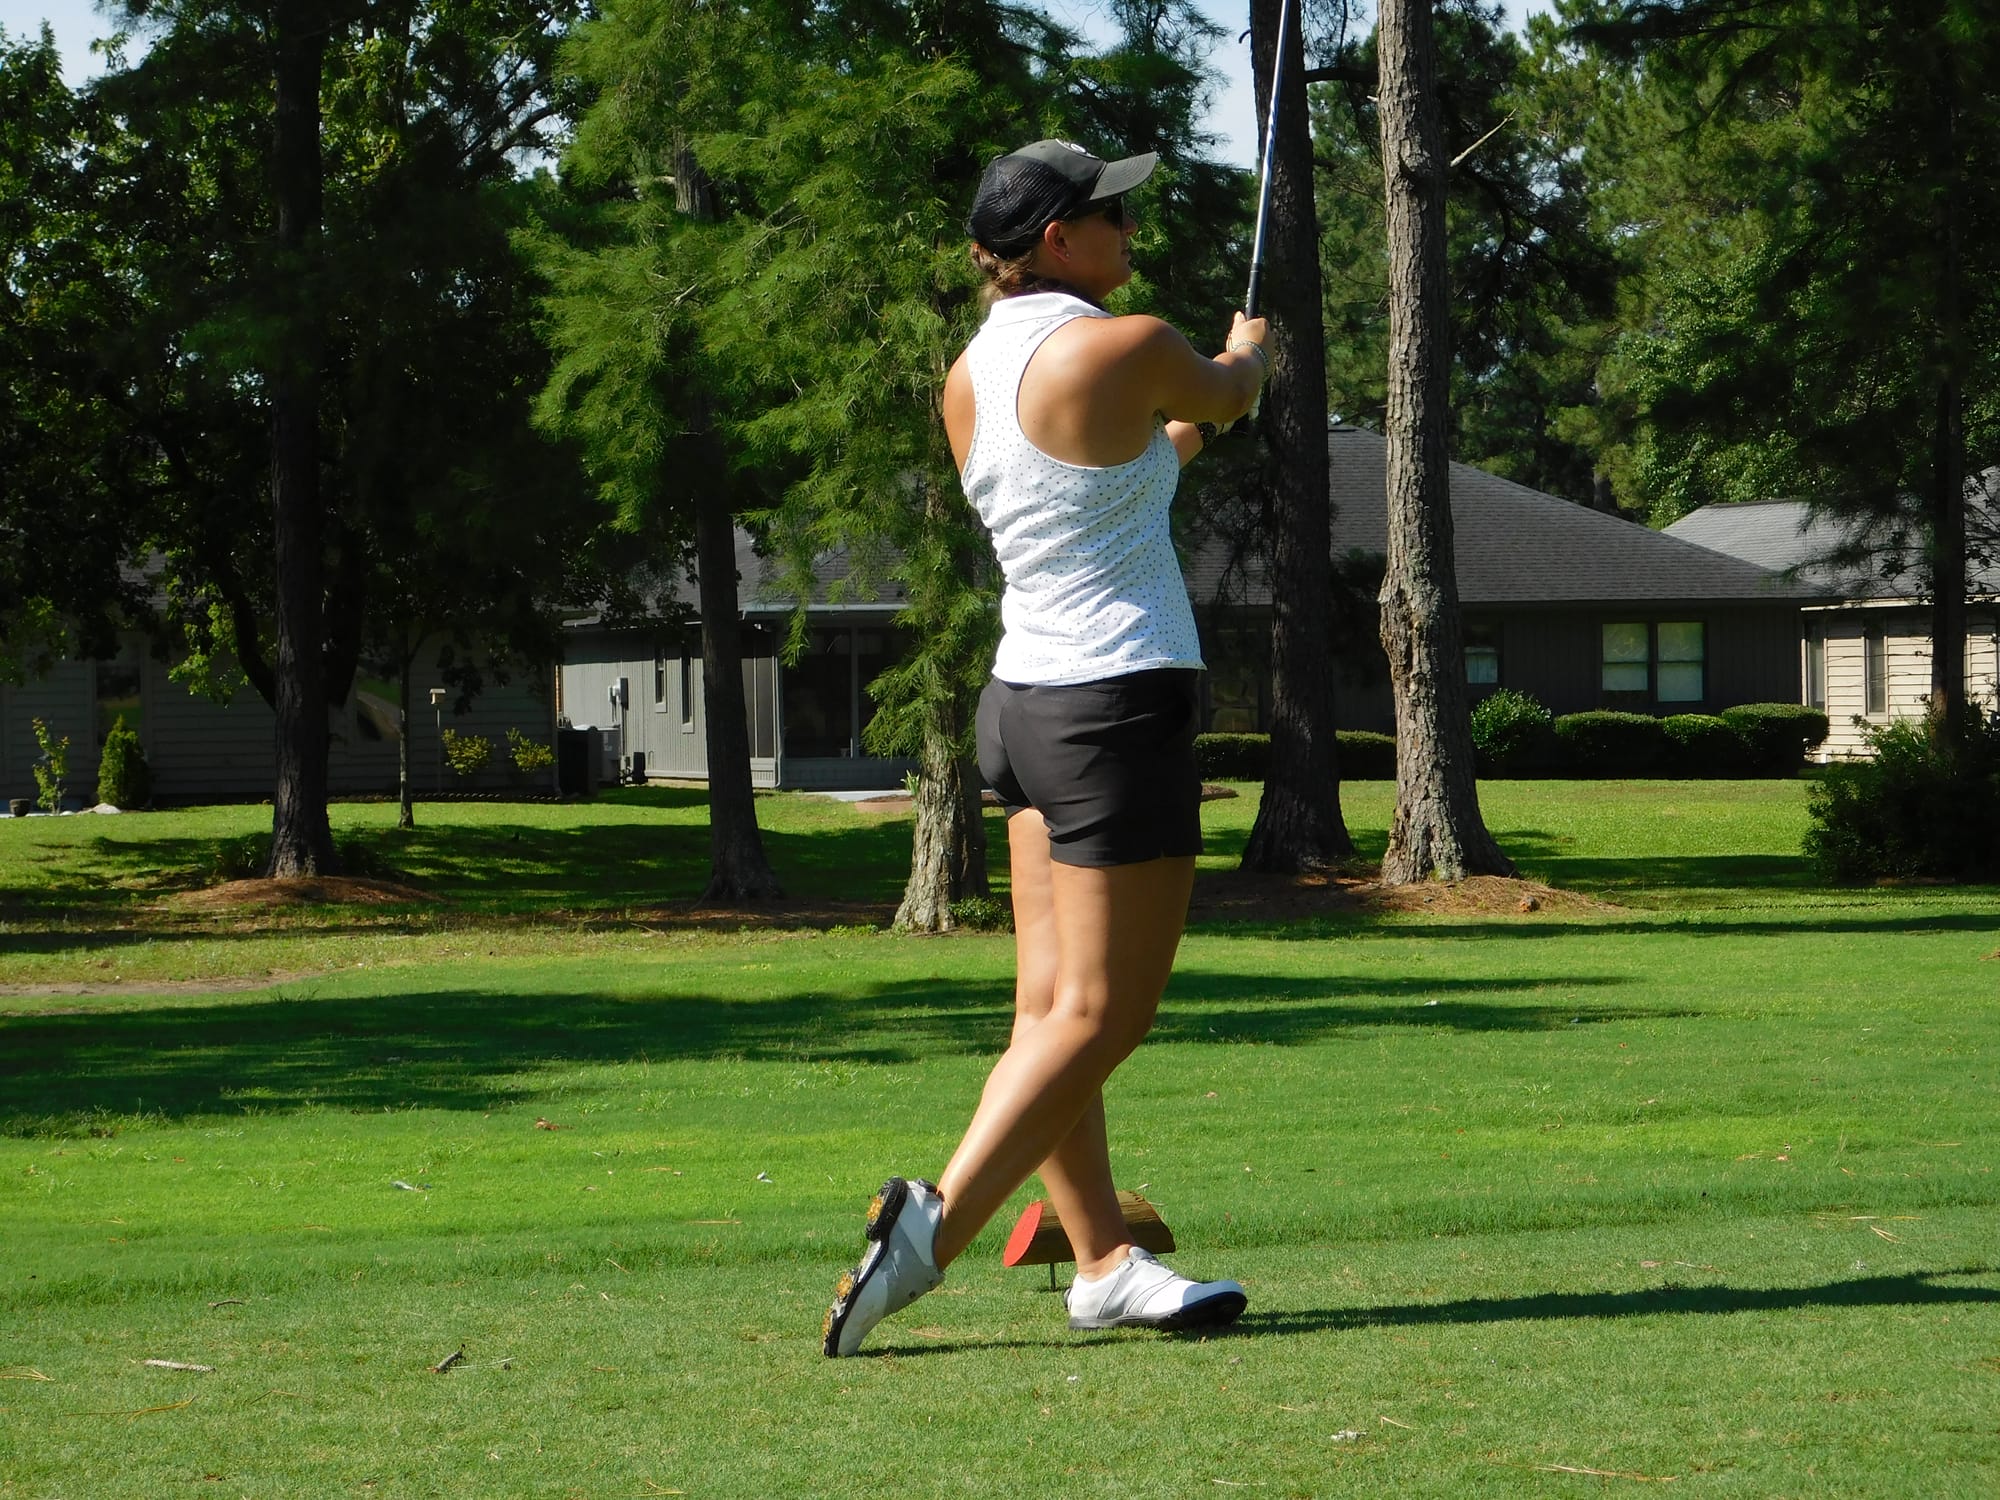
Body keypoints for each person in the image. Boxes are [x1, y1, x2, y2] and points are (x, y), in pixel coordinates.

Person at [823, 139, 1269, 1358]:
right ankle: (928, 1231)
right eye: (1109, 218)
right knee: (1104, 1015)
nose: (1130, 236)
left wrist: (1193, 416)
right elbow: (1222, 396)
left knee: (1047, 1012)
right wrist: (1247, 357)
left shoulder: (970, 373)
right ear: (1056, 240)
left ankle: (1103, 1264)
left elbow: (1110, 485)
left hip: (1020, 712)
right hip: (1115, 706)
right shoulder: (1126, 344)